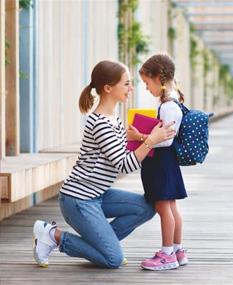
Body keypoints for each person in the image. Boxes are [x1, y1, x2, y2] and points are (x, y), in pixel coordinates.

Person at [32, 60, 176, 269]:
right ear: (108, 88)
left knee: (147, 207)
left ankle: (103, 246)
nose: (131, 88)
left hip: (98, 194)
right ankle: (53, 236)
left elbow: (120, 145)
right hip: (78, 200)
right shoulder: (99, 123)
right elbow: (124, 165)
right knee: (112, 260)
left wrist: (141, 136)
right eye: (126, 84)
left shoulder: (113, 118)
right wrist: (151, 140)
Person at [127, 54, 188, 271]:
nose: (146, 88)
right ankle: (177, 250)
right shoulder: (173, 100)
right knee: (171, 207)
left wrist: (140, 137)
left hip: (161, 164)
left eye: (146, 82)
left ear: (157, 78)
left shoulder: (167, 105)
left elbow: (165, 139)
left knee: (164, 208)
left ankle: (167, 253)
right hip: (167, 163)